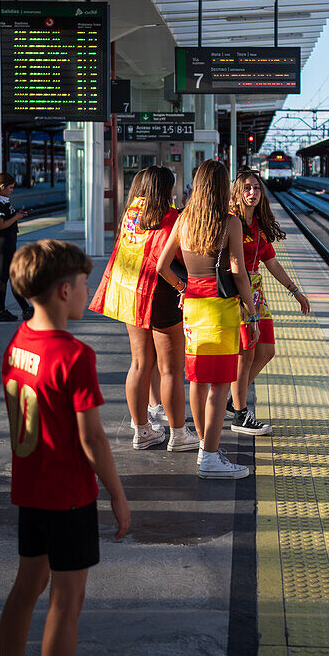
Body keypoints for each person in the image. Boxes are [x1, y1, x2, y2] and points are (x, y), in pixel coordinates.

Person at [0, 239, 130, 656]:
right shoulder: (75, 356)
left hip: (31, 491)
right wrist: (116, 493)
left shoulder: (17, 341)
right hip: (69, 497)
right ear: (63, 291)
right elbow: (93, 441)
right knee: (65, 607)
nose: (88, 292)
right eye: (84, 284)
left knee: (27, 586)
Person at [157, 159, 259, 480]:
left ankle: (206, 446)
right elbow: (239, 272)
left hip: (193, 308)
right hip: (220, 309)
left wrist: (184, 287)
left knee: (198, 381)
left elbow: (162, 265)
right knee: (219, 385)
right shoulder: (230, 223)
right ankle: (211, 458)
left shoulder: (184, 219)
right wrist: (252, 312)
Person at [90, 166, 199, 453]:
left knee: (139, 364)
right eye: (171, 186)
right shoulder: (172, 218)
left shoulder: (131, 215)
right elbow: (182, 257)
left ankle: (141, 431)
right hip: (162, 296)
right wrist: (184, 286)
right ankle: (179, 434)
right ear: (164, 189)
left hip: (131, 297)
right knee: (171, 370)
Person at [228, 169, 311, 434]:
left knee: (266, 350)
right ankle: (240, 413)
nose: (253, 193)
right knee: (246, 354)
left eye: (257, 188)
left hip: (257, 293)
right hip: (237, 294)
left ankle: (234, 399)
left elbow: (271, 261)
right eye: (247, 188)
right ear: (237, 192)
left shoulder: (258, 225)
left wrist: (294, 290)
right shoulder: (232, 222)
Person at [0, 172, 32, 322]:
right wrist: (17, 217)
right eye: (10, 188)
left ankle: (24, 308)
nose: (12, 190)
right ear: (2, 187)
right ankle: (1, 311)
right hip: (3, 243)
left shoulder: (2, 200)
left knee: (9, 276)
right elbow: (0, 225)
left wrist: (17, 215)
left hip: (7, 243)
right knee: (4, 277)